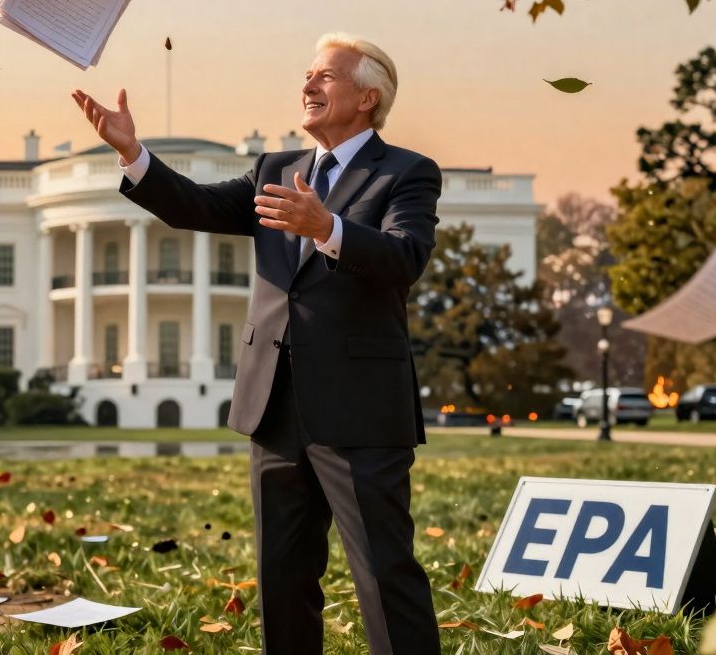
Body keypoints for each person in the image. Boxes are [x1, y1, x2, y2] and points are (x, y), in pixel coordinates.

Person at [71, 32, 443, 654]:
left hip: (359, 409)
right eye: (308, 74)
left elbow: (405, 257)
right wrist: (133, 154)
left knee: (384, 574)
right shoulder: (275, 169)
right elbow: (194, 206)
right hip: (273, 406)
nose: (308, 84)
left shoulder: (405, 172)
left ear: (367, 97)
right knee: (282, 576)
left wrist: (328, 228)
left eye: (326, 76)